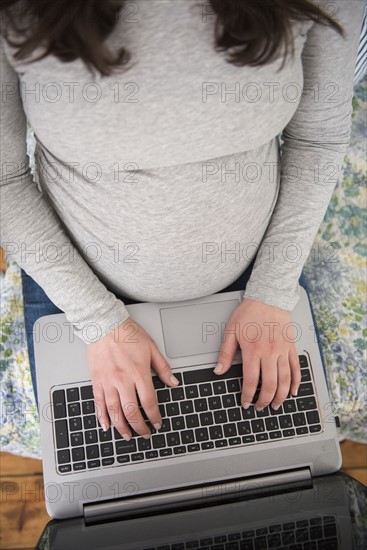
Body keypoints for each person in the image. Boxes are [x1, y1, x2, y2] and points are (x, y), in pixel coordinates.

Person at [0, 0, 364, 442]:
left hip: (259, 278)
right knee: (109, 496)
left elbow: (318, 136)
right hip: (79, 289)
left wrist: (272, 291)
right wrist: (98, 321)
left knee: (289, 474)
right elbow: (5, 178)